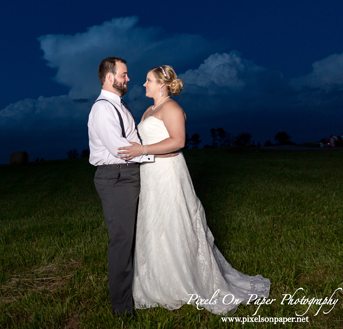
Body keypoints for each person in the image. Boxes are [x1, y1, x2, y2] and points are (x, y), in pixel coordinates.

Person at [118, 65, 271, 315]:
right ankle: (157, 278)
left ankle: (185, 279)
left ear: (162, 84)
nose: (143, 84)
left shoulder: (171, 108)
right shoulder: (149, 110)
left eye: (148, 80)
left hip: (167, 173)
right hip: (150, 174)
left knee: (173, 221)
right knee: (155, 223)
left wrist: (142, 150)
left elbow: (178, 141)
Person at [87, 57, 154, 318]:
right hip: (116, 178)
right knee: (122, 240)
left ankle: (138, 290)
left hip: (128, 175)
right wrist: (155, 157)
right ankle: (122, 309)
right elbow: (121, 149)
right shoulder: (103, 109)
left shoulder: (119, 105)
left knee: (133, 237)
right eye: (124, 75)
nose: (128, 79)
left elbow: (133, 140)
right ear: (109, 77)